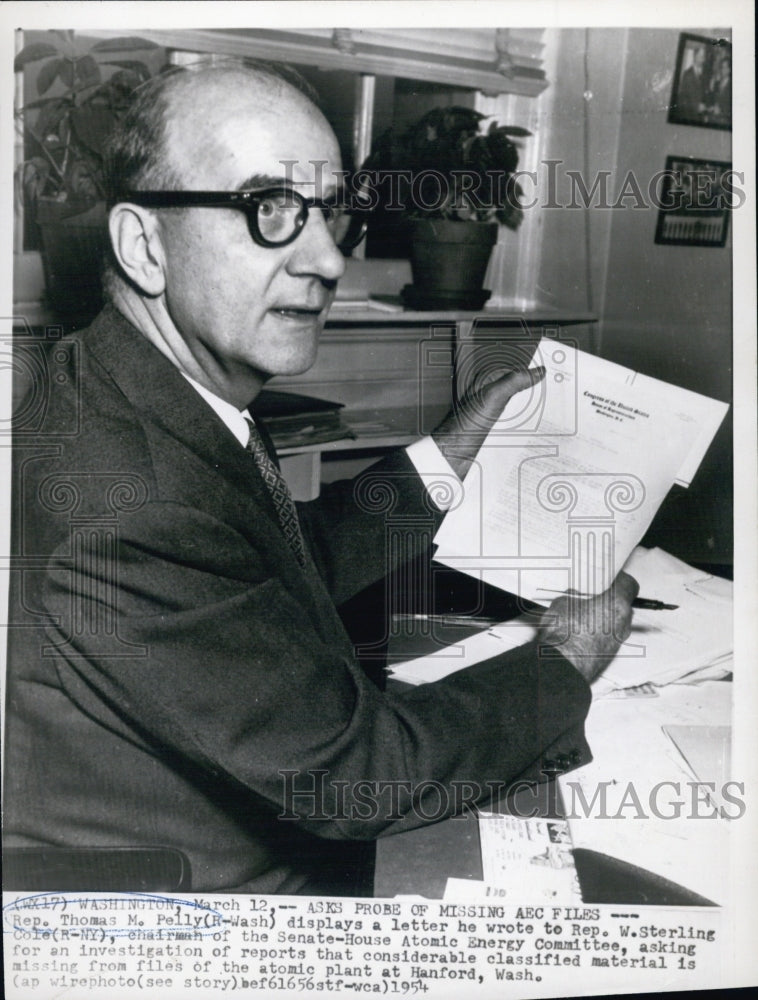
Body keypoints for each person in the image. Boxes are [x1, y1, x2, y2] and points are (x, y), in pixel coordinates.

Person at [4, 63, 637, 895]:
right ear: (142, 244)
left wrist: (451, 445)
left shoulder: (137, 385)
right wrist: (565, 659)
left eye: (330, 212)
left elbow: (287, 550)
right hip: (215, 917)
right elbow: (352, 774)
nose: (330, 259)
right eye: (269, 210)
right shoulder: (130, 504)